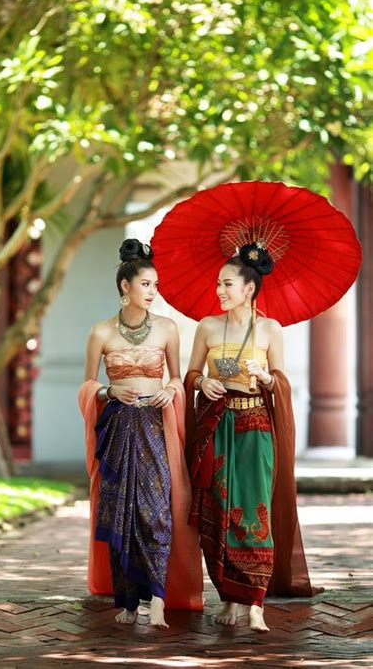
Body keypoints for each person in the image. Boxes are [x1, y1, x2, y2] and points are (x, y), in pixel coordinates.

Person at [184, 242, 319, 633]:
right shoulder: (207, 326)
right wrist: (204, 381)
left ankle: (255, 601)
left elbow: (281, 380)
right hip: (217, 427)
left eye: (227, 284)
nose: (220, 291)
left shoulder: (270, 329)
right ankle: (229, 597)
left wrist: (266, 379)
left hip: (256, 426)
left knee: (254, 509)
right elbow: (190, 375)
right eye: (218, 284)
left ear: (249, 288)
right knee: (219, 507)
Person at [79, 238, 203, 629]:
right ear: (125, 287)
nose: (153, 291)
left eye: (155, 284)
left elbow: (179, 379)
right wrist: (107, 390)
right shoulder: (101, 332)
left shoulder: (167, 329)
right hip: (118, 425)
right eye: (146, 284)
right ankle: (130, 602)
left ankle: (160, 600)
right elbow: (86, 386)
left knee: (157, 511)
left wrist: (171, 390)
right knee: (120, 512)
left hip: (155, 426)